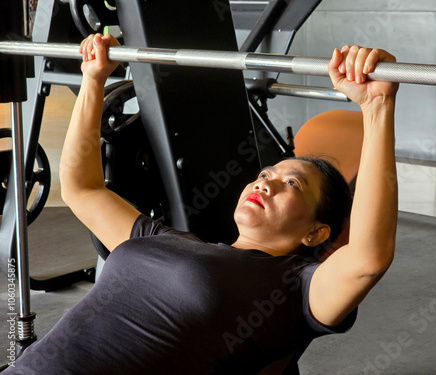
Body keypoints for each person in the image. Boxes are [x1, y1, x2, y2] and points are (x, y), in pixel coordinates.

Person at [5, 34, 398, 374]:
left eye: (291, 183)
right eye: (265, 174)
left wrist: (377, 108)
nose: (265, 183)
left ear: (317, 231)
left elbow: (367, 259)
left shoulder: (293, 289)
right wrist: (93, 79)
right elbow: (82, 190)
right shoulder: (164, 238)